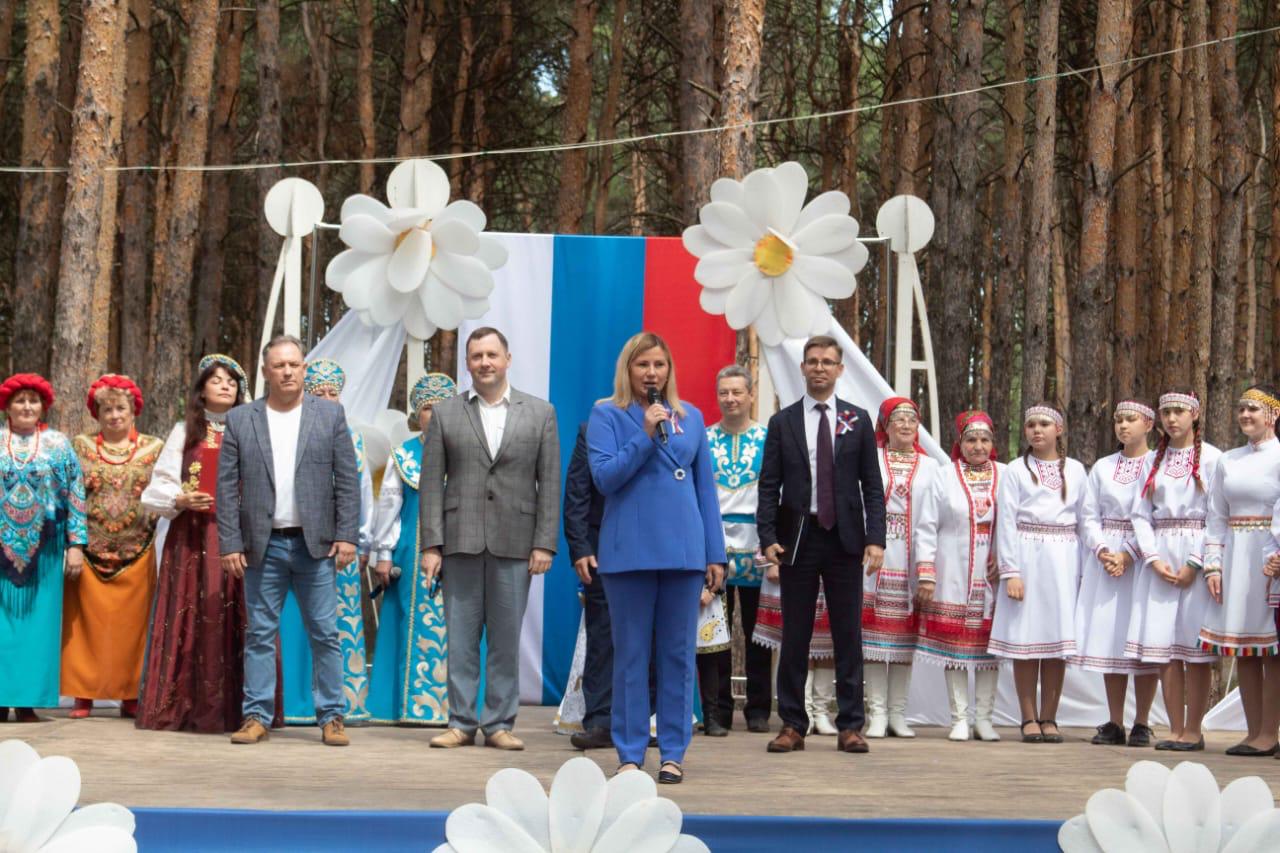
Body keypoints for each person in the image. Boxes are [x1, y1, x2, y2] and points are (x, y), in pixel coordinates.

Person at [587, 331, 725, 782]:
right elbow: (605, 478)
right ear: (628, 369)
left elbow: (705, 489)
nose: (651, 373)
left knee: (678, 656)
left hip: (683, 551)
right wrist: (645, 435)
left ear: (669, 370)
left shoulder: (691, 417)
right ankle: (630, 753)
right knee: (630, 656)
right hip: (628, 553)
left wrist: (715, 553)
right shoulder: (606, 414)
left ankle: (672, 753)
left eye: (659, 365)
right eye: (642, 364)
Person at [420, 327, 561, 751]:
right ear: (467, 363)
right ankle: (461, 723)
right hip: (459, 541)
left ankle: (499, 724)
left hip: (516, 543)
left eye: (492, 355)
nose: (484, 362)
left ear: (507, 359)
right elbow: (431, 484)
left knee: (504, 640)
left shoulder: (540, 413)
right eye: (477, 356)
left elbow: (549, 483)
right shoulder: (446, 413)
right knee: (460, 640)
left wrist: (544, 542)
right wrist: (431, 545)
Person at [217, 335, 361, 747]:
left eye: (294, 364)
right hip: (262, 546)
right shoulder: (241, 419)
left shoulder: (329, 414)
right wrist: (230, 543)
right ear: (265, 371)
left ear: (304, 369)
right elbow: (226, 487)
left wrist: (347, 535)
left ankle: (332, 716)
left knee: (325, 633)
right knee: (260, 633)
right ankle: (256, 715)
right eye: (278, 365)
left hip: (315, 545)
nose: (287, 372)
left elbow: (346, 479)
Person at [758, 335, 885, 756]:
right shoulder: (783, 422)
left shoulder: (857, 419)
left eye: (827, 362)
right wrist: (768, 538)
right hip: (798, 538)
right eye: (812, 361)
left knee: (848, 633)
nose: (819, 368)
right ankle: (793, 724)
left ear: (839, 369)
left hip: (846, 540)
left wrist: (876, 539)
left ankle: (850, 726)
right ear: (802, 368)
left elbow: (872, 487)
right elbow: (769, 486)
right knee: (795, 633)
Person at [138, 355, 267, 733]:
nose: (225, 386)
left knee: (243, 615)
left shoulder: (253, 428)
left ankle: (245, 710)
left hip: (239, 535)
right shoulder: (184, 431)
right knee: (192, 612)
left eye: (232, 381)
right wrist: (180, 499)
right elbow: (159, 485)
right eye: (216, 380)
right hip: (193, 535)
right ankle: (185, 705)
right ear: (202, 390)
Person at [62, 374, 163, 719]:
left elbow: (165, 490)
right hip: (89, 551)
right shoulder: (80, 447)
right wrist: (73, 544)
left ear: (133, 410)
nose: (115, 415)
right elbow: (72, 495)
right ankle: (83, 694)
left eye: (121, 408)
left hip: (138, 549)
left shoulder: (154, 448)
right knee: (85, 627)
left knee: (132, 629)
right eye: (107, 409)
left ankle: (130, 693)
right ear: (97, 413)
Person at [277, 358, 372, 724]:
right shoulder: (288, 434)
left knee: (333, 626)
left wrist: (359, 540)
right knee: (292, 621)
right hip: (297, 543)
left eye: (334, 393)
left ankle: (338, 704)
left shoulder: (354, 439)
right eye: (320, 393)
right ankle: (290, 700)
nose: (329, 399)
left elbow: (362, 494)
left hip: (339, 547)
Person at [1127, 390, 1221, 752]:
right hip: (1161, 555)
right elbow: (1140, 515)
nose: (1171, 418)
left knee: (1193, 650)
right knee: (1164, 648)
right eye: (1166, 412)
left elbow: (1217, 515)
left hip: (1197, 553)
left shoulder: (1213, 459)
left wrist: (1196, 563)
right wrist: (1152, 557)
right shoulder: (1152, 460)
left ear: (1194, 414)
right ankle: (1175, 728)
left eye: (1179, 411)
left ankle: (1194, 730)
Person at [990, 403, 1087, 744]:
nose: (1036, 430)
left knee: (1056, 641)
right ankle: (1028, 717)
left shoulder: (1076, 470)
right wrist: (1011, 572)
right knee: (1026, 640)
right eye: (1031, 424)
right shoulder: (1015, 470)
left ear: (1058, 429)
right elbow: (1005, 521)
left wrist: (1087, 569)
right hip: (1027, 554)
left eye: (1044, 423)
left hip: (1064, 558)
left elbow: (1085, 519)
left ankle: (1050, 716)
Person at [368, 372, 456, 725]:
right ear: (417, 414)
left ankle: (457, 708)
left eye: (443, 407)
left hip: (460, 550)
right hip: (411, 550)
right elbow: (389, 507)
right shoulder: (404, 454)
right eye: (428, 408)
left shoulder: (468, 450)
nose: (435, 414)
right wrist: (383, 554)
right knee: (408, 618)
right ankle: (407, 706)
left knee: (460, 624)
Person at [1072, 400, 1159, 747]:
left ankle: (1142, 722)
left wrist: (1130, 554)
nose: (1123, 426)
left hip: (1143, 557)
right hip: (1107, 556)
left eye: (1130, 419)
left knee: (1141, 638)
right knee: (1111, 637)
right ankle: (1115, 721)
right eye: (1118, 420)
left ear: (1148, 424)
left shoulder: (1158, 464)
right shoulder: (1103, 467)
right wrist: (1104, 551)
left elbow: (1156, 515)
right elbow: (1088, 515)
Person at [914, 410, 1005, 742]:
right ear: (960, 443)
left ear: (992, 443)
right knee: (955, 646)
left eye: (984, 440)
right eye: (971, 440)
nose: (978, 446)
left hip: (993, 573)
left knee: (989, 648)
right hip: (953, 566)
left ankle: (984, 719)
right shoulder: (944, 476)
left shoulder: (1007, 474)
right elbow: (926, 525)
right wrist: (926, 570)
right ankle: (960, 718)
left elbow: (1014, 523)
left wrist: (1007, 561)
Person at [0, 374, 86, 722]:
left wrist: (76, 544)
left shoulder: (58, 445)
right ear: (7, 406)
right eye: (19, 400)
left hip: (46, 550)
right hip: (1, 546)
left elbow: (76, 492)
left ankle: (28, 701)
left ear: (43, 406)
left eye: (33, 400)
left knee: (39, 629)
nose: (26, 406)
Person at [1202, 384, 1280, 755]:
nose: (1245, 415)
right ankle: (1253, 733)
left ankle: (1269, 732)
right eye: (1241, 408)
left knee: (1272, 649)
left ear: (1273, 414)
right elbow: (1216, 516)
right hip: (1236, 555)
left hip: (1269, 557)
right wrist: (1213, 565)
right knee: (1246, 648)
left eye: (1253, 408)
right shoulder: (1228, 460)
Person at [697, 364, 771, 735]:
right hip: (716, 550)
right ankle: (718, 712)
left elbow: (777, 494)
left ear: (751, 395)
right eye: (724, 392)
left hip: (758, 548)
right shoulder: (704, 438)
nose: (730, 399)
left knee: (760, 635)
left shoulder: (768, 438)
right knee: (714, 634)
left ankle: (758, 710)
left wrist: (773, 546)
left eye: (737, 392)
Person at [863, 396, 937, 738]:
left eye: (912, 419)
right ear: (886, 426)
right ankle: (877, 713)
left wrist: (927, 568)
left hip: (911, 557)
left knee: (905, 639)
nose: (906, 425)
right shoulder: (872, 459)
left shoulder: (931, 467)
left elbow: (931, 521)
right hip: (875, 555)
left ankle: (897, 713)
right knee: (874, 639)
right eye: (898, 419)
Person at [563, 421, 613, 748]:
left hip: (654, 547)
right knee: (602, 635)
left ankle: (648, 718)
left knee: (652, 636)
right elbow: (577, 491)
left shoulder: (674, 422)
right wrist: (580, 547)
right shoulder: (594, 428)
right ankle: (600, 721)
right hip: (603, 546)